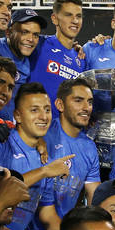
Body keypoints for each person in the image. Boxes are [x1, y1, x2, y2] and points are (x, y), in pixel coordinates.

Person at [0, 83, 68, 230]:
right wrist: (44, 172)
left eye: (47, 110)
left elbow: (47, 214)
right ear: (17, 116)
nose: (43, 116)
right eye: (34, 110)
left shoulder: (45, 156)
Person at [45, 77, 101, 216]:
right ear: (60, 105)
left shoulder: (90, 147)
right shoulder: (43, 134)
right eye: (78, 100)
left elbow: (94, 196)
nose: (86, 108)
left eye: (89, 102)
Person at [27, 0, 86, 100]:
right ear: (54, 19)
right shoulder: (39, 44)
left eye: (79, 16)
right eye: (68, 15)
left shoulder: (81, 58)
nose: (75, 21)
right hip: (36, 115)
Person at [0, 7, 48, 119]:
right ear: (8, 32)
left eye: (35, 35)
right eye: (25, 32)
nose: (31, 39)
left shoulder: (32, 55)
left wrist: (77, 48)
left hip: (10, 128)